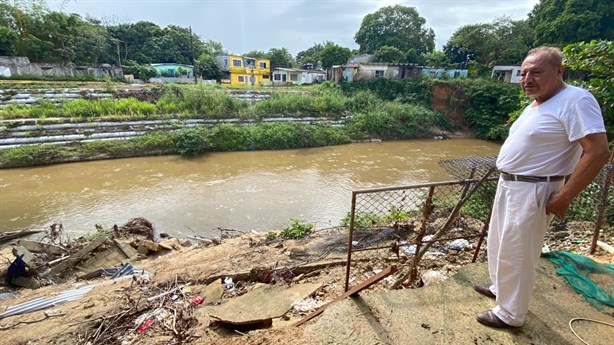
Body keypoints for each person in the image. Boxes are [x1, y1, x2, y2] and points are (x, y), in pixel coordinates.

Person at [474, 46, 610, 328]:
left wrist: (566, 194)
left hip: (535, 189)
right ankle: (501, 290)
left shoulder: (576, 100)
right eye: (523, 74)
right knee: (500, 244)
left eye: (536, 72)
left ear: (559, 71)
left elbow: (597, 151)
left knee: (518, 251)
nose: (527, 79)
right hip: (511, 184)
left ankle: (511, 314)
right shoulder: (537, 102)